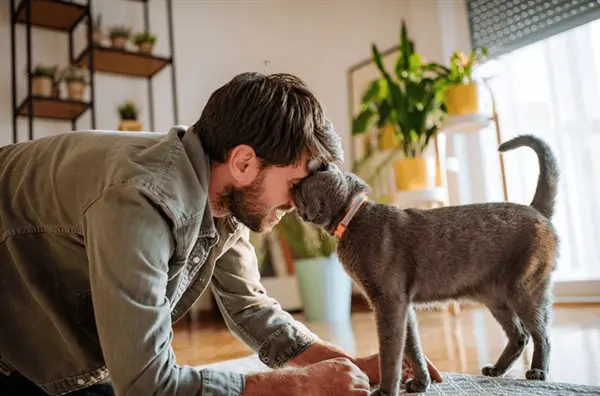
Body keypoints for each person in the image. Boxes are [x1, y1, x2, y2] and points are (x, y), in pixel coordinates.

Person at [0, 72, 441, 396]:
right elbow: (146, 386)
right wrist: (297, 386)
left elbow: (249, 307)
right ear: (245, 162)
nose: (299, 205)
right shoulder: (141, 201)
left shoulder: (223, 196)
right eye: (295, 185)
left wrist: (348, 363)